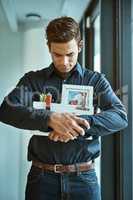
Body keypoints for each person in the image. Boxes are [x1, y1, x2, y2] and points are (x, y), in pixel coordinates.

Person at [0, 16, 128, 200]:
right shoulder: (32, 80)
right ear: (49, 48)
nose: (64, 62)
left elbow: (120, 116)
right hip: (41, 180)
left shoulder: (96, 81)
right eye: (57, 55)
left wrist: (75, 125)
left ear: (80, 46)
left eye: (70, 54)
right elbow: (6, 110)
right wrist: (50, 119)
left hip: (84, 180)